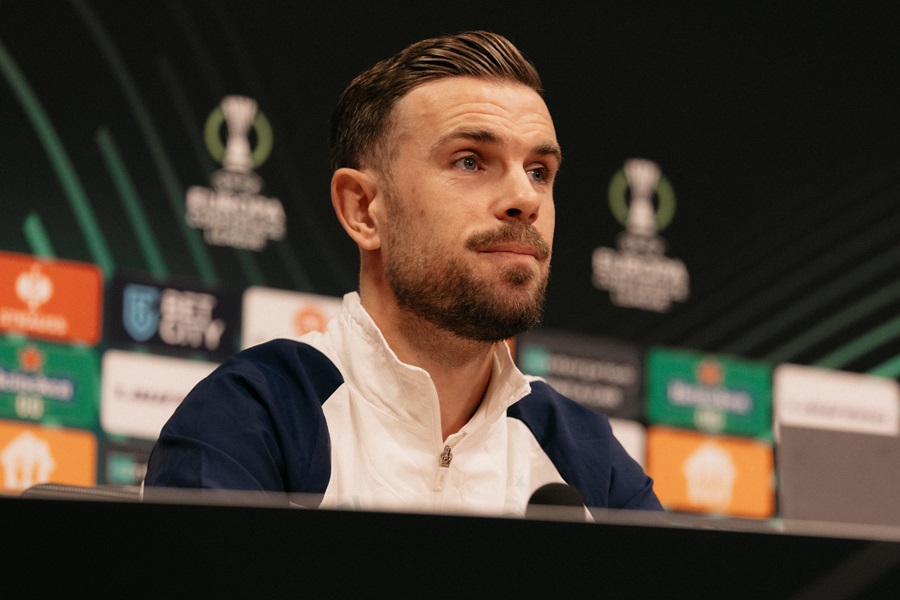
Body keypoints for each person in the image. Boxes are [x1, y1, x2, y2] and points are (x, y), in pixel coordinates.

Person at [143, 30, 662, 515]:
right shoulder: (251, 416)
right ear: (363, 210)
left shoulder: (587, 455)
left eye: (538, 171)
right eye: (469, 161)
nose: (526, 198)